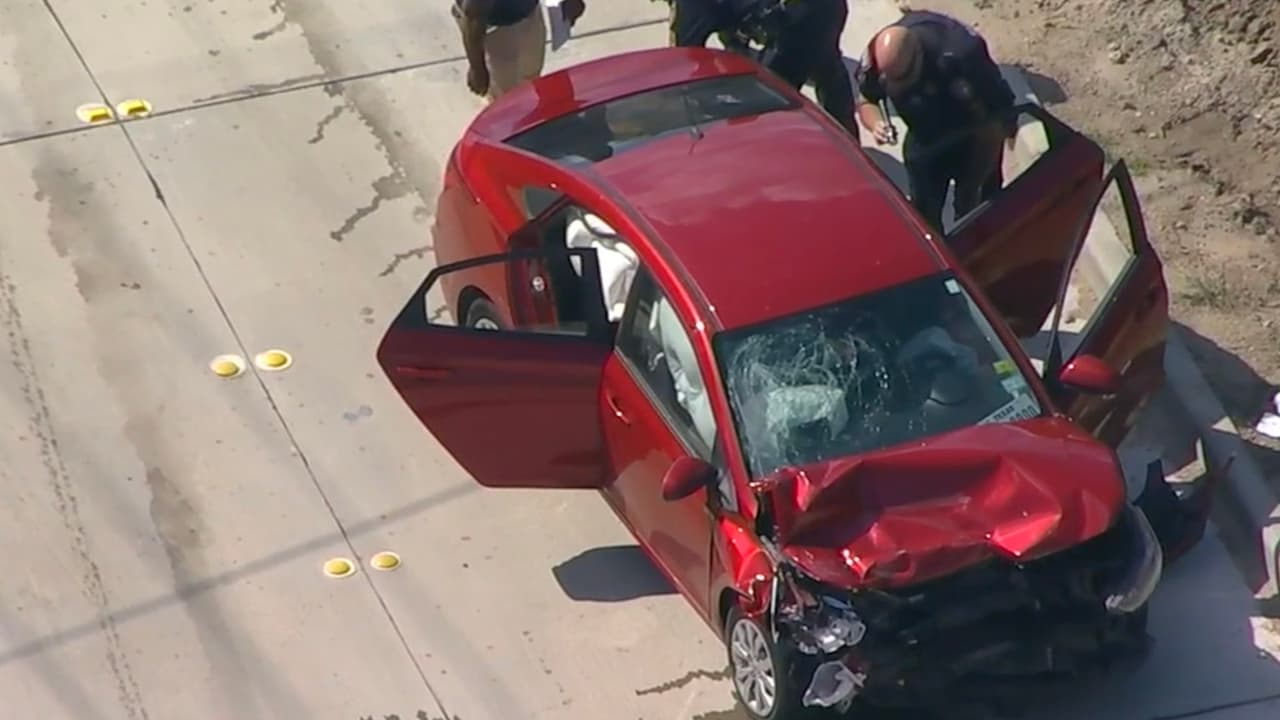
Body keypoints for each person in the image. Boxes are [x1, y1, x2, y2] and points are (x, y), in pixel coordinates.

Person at [854, 9, 1017, 232]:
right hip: (925, 141)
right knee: (924, 220)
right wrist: (876, 124)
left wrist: (971, 186)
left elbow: (993, 129)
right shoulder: (878, 56)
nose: (897, 88)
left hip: (972, 139)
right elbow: (866, 100)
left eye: (904, 80)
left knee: (979, 216)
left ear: (920, 56)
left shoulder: (961, 56)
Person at [666, 0, 859, 137]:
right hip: (820, 11)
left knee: (767, 102)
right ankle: (850, 143)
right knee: (828, 69)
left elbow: (683, 65)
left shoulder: (692, 6)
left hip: (805, 18)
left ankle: (846, 153)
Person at [453, 0, 586, 101]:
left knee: (531, 72)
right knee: (505, 95)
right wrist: (477, 68)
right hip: (493, 29)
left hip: (528, 12)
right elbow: (473, 17)